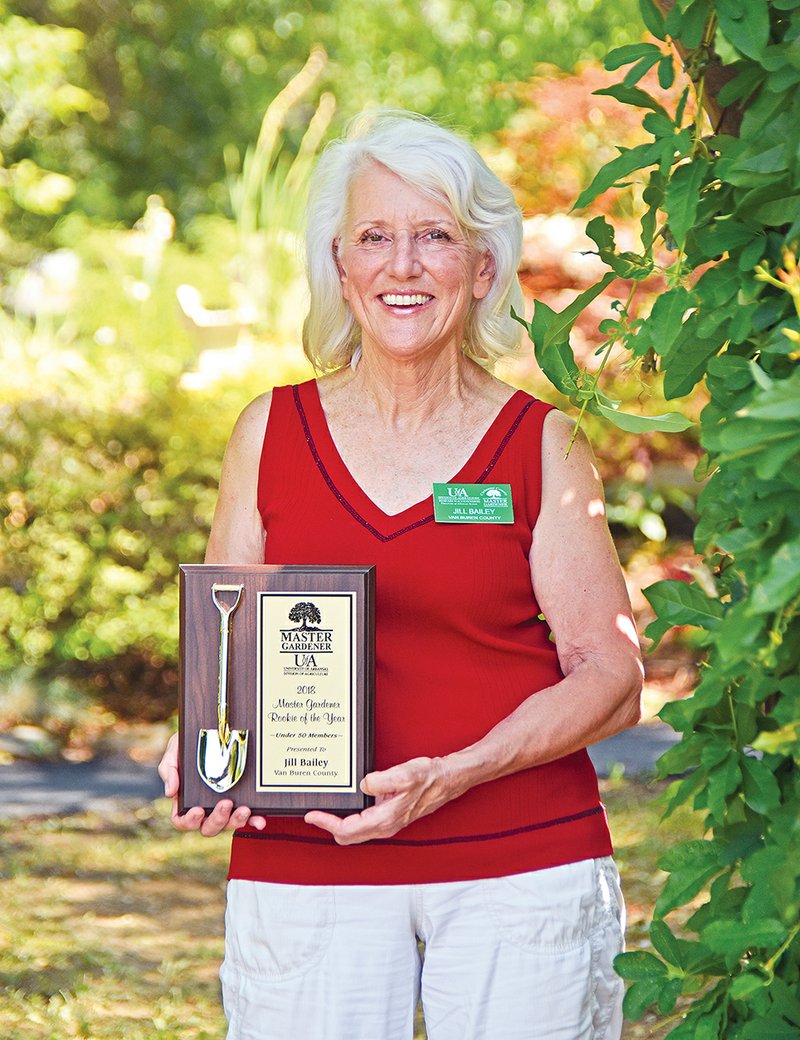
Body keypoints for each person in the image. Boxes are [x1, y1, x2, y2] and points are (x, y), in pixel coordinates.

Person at [159, 110, 643, 1040]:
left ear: (484, 267)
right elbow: (225, 652)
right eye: (376, 238)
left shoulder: (541, 444)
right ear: (340, 266)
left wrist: (456, 774)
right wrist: (206, 739)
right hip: (307, 866)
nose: (404, 266)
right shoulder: (270, 432)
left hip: (520, 865)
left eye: (435, 237)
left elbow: (612, 677)